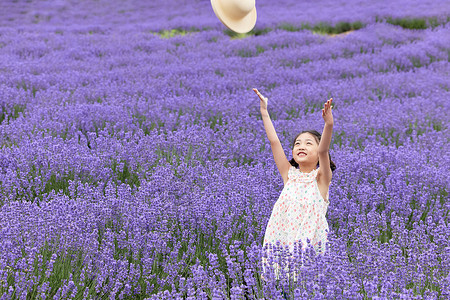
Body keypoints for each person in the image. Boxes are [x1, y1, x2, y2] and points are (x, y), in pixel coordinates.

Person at [253, 88, 336, 281]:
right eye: (297, 143)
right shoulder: (289, 175)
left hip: (309, 245)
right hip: (281, 240)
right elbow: (274, 142)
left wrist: (328, 125)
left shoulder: (321, 179)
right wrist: (264, 111)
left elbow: (324, 150)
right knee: (277, 283)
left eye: (308, 143)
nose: (301, 146)